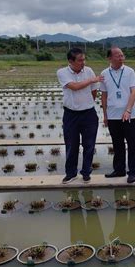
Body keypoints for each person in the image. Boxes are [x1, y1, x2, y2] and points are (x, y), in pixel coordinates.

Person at [57, 47, 103, 184]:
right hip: (71, 115)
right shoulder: (62, 72)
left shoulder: (88, 71)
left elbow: (94, 91)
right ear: (70, 61)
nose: (83, 62)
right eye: (80, 60)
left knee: (89, 145)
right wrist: (91, 80)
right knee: (71, 145)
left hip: (88, 114)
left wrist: (87, 103)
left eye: (84, 59)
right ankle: (71, 174)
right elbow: (74, 86)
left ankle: (86, 173)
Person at [100, 47, 135, 184]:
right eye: (118, 56)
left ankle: (133, 172)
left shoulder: (129, 72)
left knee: (132, 143)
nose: (121, 58)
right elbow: (104, 96)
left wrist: (128, 110)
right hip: (112, 115)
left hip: (129, 115)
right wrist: (105, 115)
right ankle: (119, 169)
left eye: (122, 55)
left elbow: (133, 91)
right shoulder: (104, 73)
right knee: (117, 144)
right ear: (110, 58)